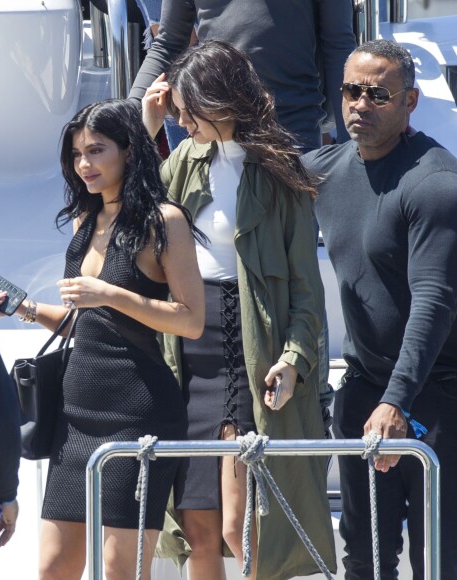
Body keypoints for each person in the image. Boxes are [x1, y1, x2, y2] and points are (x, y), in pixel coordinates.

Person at [0, 98, 205, 580]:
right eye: (76, 154)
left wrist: (110, 293)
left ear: (129, 151)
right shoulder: (86, 221)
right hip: (75, 411)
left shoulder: (164, 220)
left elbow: (190, 320)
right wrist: (20, 305)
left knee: (119, 570)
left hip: (137, 411)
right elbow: (84, 320)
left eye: (96, 151)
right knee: (53, 567)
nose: (83, 164)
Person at [142, 40, 336, 580]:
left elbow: (305, 287)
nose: (180, 119)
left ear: (219, 99)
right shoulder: (181, 160)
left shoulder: (280, 174)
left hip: (246, 352)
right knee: (197, 527)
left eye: (186, 108)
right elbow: (128, 212)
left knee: (239, 526)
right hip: (186, 349)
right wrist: (148, 127)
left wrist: (295, 356)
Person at [303, 39, 457, 579]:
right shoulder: (325, 168)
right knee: (366, 559)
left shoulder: (435, 183)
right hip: (367, 390)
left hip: (437, 397)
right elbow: (247, 169)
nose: (360, 104)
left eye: (378, 94)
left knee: (438, 559)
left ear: (411, 101)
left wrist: (397, 403)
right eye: (351, 91)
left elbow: (434, 299)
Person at [129, 0, 356, 152]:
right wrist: (126, 114)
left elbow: (337, 45)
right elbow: (168, 44)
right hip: (213, 130)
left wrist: (352, 147)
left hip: (292, 131)